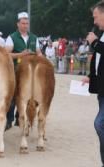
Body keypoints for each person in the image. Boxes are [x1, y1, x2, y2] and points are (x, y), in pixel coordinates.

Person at [5, 11, 42, 130]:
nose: (25, 25)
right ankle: (9, 119)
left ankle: (19, 117)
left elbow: (38, 52)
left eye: (27, 23)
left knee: (28, 95)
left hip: (31, 71)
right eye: (23, 23)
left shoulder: (34, 37)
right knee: (12, 96)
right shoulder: (12, 37)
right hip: (16, 70)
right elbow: (7, 54)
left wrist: (42, 58)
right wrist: (22, 54)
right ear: (18, 24)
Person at [83, 1, 104, 166]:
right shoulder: (102, 34)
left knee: (99, 124)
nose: (95, 21)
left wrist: (95, 43)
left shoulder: (99, 38)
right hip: (101, 89)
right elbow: (100, 60)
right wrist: (92, 76)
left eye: (96, 17)